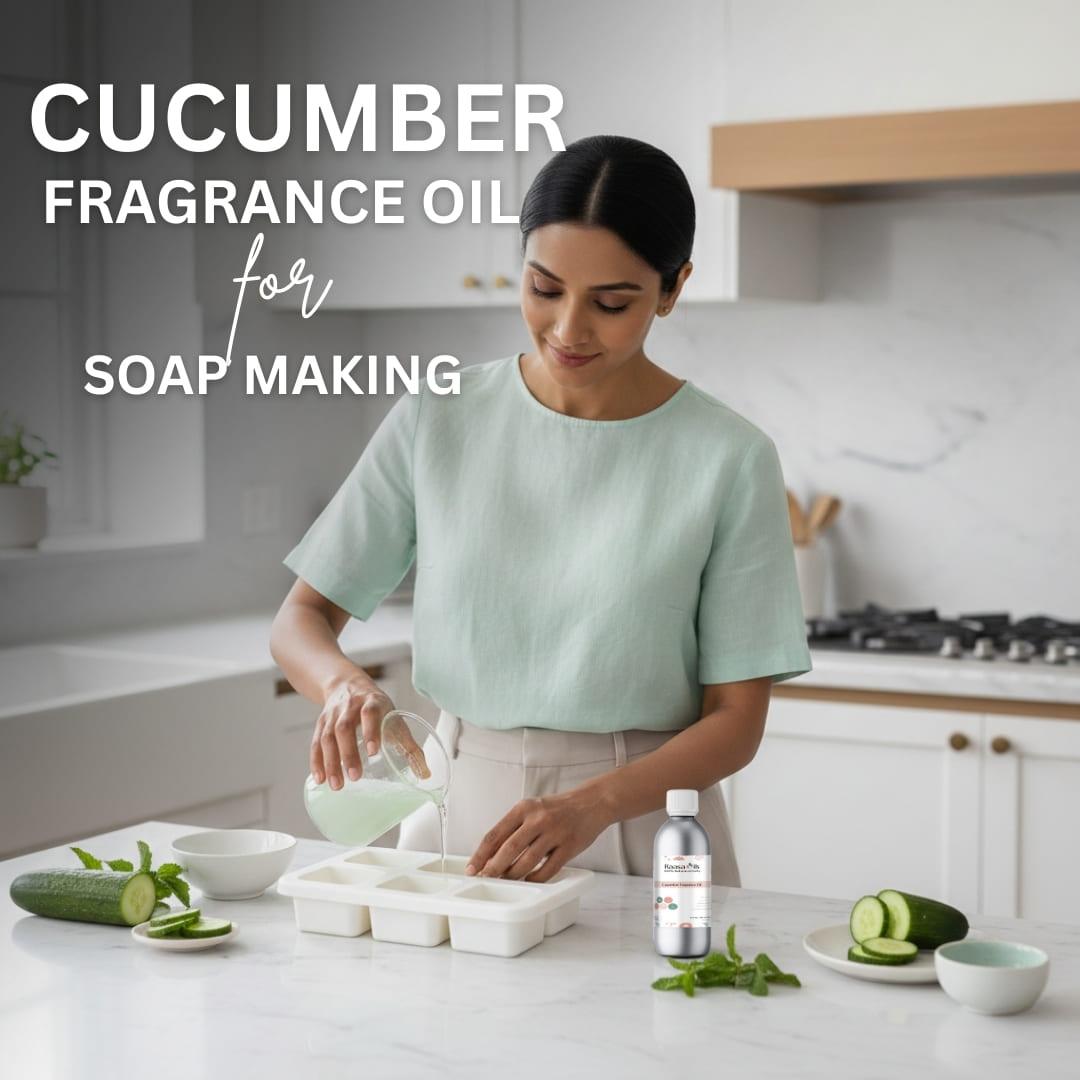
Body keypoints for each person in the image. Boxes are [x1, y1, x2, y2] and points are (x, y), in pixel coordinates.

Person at [269, 134, 812, 885]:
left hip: (640, 821)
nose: (567, 329)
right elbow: (301, 619)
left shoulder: (729, 456)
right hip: (453, 809)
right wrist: (342, 684)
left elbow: (736, 721)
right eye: (544, 288)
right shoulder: (439, 417)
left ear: (672, 288)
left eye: (611, 303)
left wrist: (594, 803)